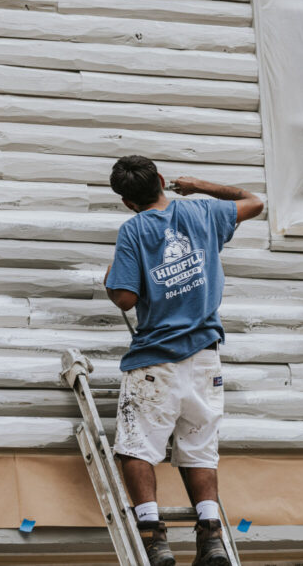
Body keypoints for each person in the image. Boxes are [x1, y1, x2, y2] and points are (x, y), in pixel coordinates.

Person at [104, 155, 264, 566]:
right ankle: (210, 536)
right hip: (205, 358)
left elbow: (125, 298)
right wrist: (199, 185)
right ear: (161, 180)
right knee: (199, 446)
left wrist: (111, 276)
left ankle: (153, 537)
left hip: (156, 358)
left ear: (126, 201)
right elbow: (254, 201)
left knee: (137, 447)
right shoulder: (202, 211)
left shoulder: (133, 230)